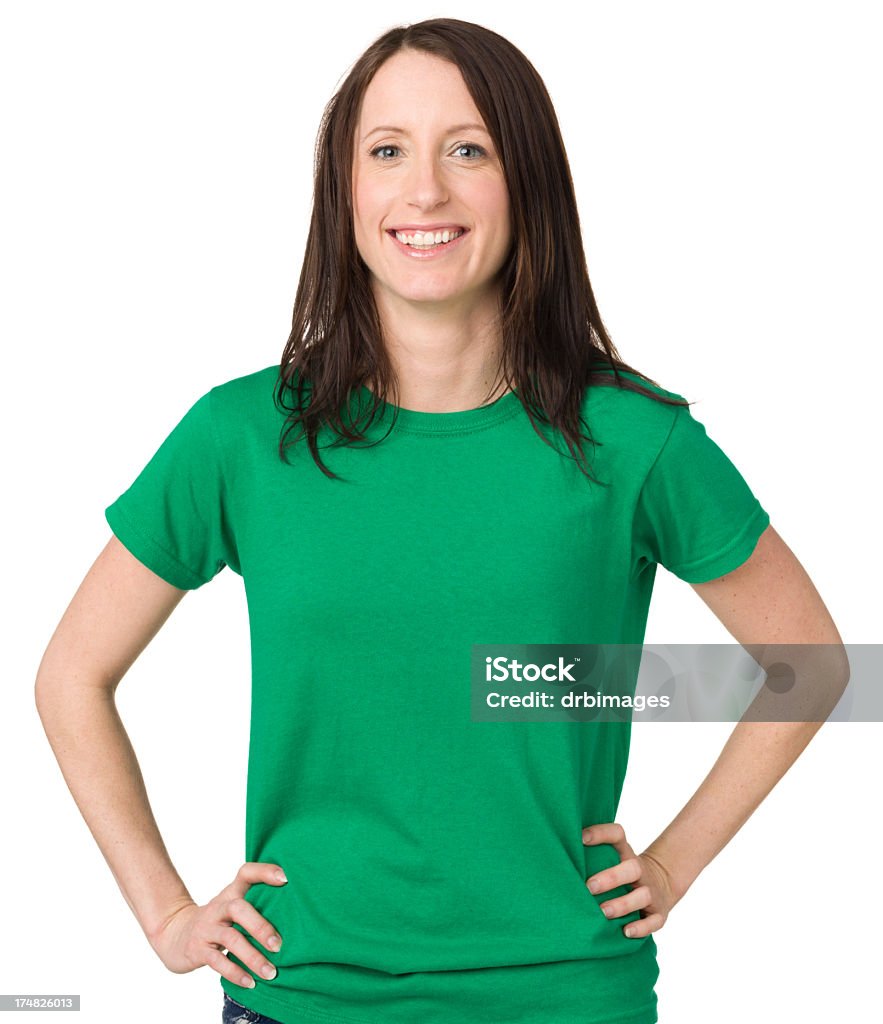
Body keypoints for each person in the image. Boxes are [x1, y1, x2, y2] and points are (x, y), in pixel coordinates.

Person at [34, 17, 848, 1024]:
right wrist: (165, 915)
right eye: (387, 153)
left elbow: (809, 659)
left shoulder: (633, 440)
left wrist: (674, 863)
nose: (425, 191)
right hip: (303, 997)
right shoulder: (242, 437)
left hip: (563, 995)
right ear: (346, 192)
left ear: (527, 183)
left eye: (468, 150)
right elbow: (71, 674)